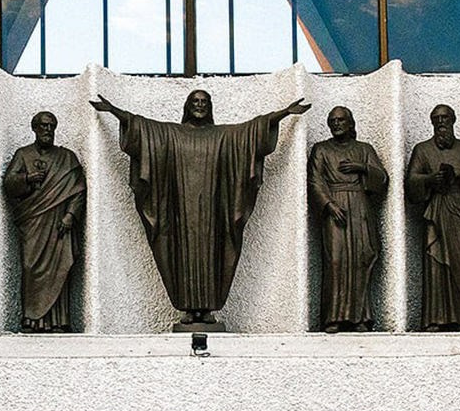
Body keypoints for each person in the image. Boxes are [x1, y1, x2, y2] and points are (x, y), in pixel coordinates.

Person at [90, 88, 309, 327]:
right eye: (195, 101)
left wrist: (284, 113)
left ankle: (208, 310)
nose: (200, 105)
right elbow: (142, 128)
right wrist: (114, 112)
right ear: (187, 106)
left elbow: (252, 130)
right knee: (180, 256)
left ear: (210, 107)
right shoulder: (171, 134)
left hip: (214, 214)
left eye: (204, 101)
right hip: (180, 214)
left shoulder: (223, 136)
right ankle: (187, 308)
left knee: (216, 255)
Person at [407, 103, 460, 331]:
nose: (441, 123)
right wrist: (431, 179)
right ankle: (435, 319)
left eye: (445, 118)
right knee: (435, 263)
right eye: (437, 119)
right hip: (436, 209)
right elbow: (411, 182)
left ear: (453, 120)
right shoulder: (422, 150)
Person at [2, 110, 85, 332]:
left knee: (60, 269)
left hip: (59, 225)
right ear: (34, 128)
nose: (47, 130)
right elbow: (8, 185)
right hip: (33, 223)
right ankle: (32, 319)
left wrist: (70, 215)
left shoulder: (67, 158)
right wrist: (27, 179)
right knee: (31, 266)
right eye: (43, 126)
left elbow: (79, 190)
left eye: (51, 126)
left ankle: (58, 321)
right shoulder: (23, 155)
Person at [308, 106, 387, 332]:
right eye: (332, 121)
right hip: (335, 208)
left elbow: (382, 179)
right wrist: (329, 204)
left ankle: (361, 317)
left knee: (361, 258)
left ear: (350, 123)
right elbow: (314, 180)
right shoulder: (321, 150)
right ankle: (333, 317)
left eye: (341, 120)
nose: (337, 124)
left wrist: (362, 168)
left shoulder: (364, 149)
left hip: (359, 207)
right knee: (336, 260)